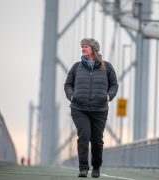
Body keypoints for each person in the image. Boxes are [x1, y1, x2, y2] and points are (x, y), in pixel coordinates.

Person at [64, 38, 118, 178]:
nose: (83, 48)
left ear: (93, 49)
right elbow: (68, 84)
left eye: (86, 46)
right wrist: (71, 96)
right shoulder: (76, 67)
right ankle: (83, 168)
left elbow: (114, 85)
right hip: (79, 108)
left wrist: (108, 97)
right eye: (82, 46)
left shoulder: (107, 67)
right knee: (84, 136)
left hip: (99, 110)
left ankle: (96, 167)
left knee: (97, 140)